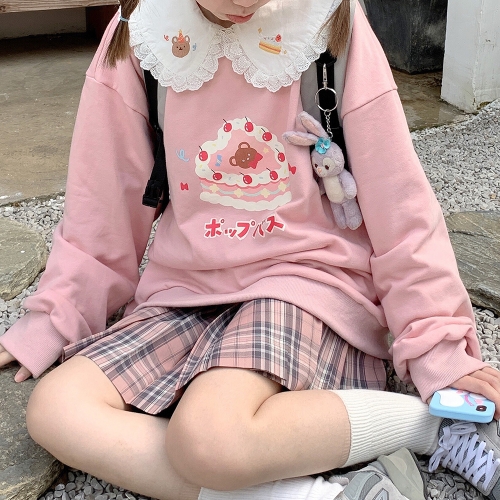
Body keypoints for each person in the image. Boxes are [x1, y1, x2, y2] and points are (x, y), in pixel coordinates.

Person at [1, 0, 500, 499]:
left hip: (306, 280)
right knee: (56, 409)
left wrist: (437, 347)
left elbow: (399, 204)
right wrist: (58, 314)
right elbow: (103, 205)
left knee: (209, 434)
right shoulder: (144, 29)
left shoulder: (329, 18)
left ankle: (431, 426)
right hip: (185, 291)